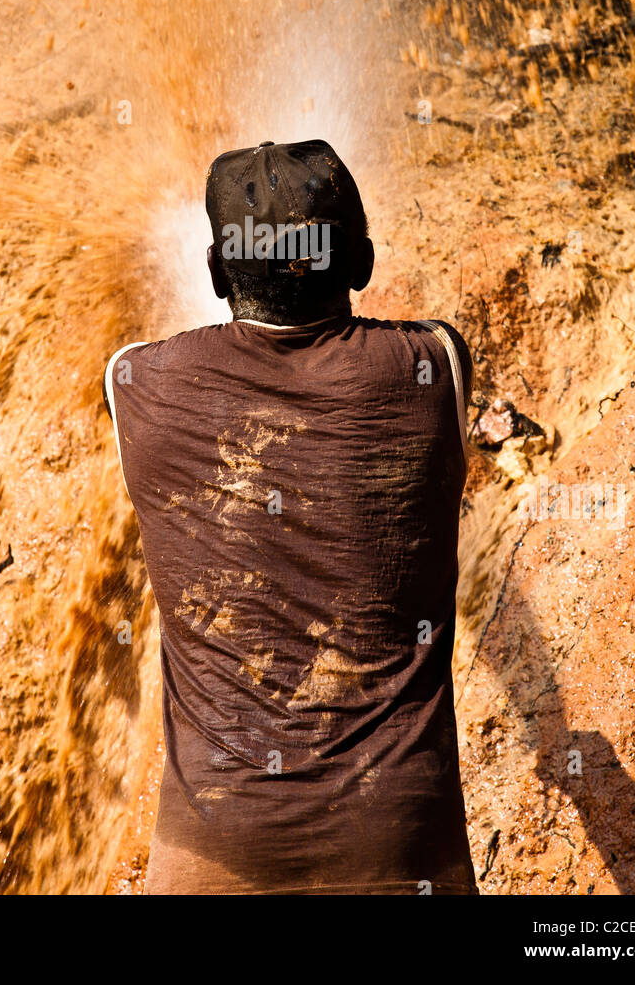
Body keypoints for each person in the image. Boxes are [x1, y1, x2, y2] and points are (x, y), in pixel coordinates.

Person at [103, 139, 477, 895]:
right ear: (363, 263)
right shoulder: (434, 366)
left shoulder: (135, 380)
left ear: (214, 273)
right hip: (401, 854)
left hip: (211, 860)